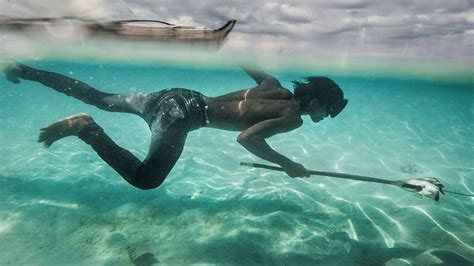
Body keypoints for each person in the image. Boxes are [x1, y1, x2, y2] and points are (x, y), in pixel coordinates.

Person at [2, 62, 348, 190]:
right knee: (146, 180)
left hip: (177, 96)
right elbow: (248, 139)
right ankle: (84, 129)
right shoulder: (293, 118)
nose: (322, 119)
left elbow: (243, 54)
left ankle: (25, 71)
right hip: (182, 117)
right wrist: (288, 164)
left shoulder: (273, 83)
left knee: (100, 97)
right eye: (327, 112)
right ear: (315, 102)